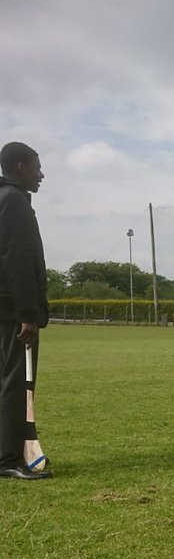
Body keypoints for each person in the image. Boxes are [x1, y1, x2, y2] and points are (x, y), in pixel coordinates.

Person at [0, 142, 52, 479]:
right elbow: (17, 260)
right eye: (37, 167)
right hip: (12, 312)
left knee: (9, 379)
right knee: (15, 381)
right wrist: (27, 314)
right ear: (21, 167)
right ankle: (8, 459)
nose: (41, 174)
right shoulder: (14, 202)